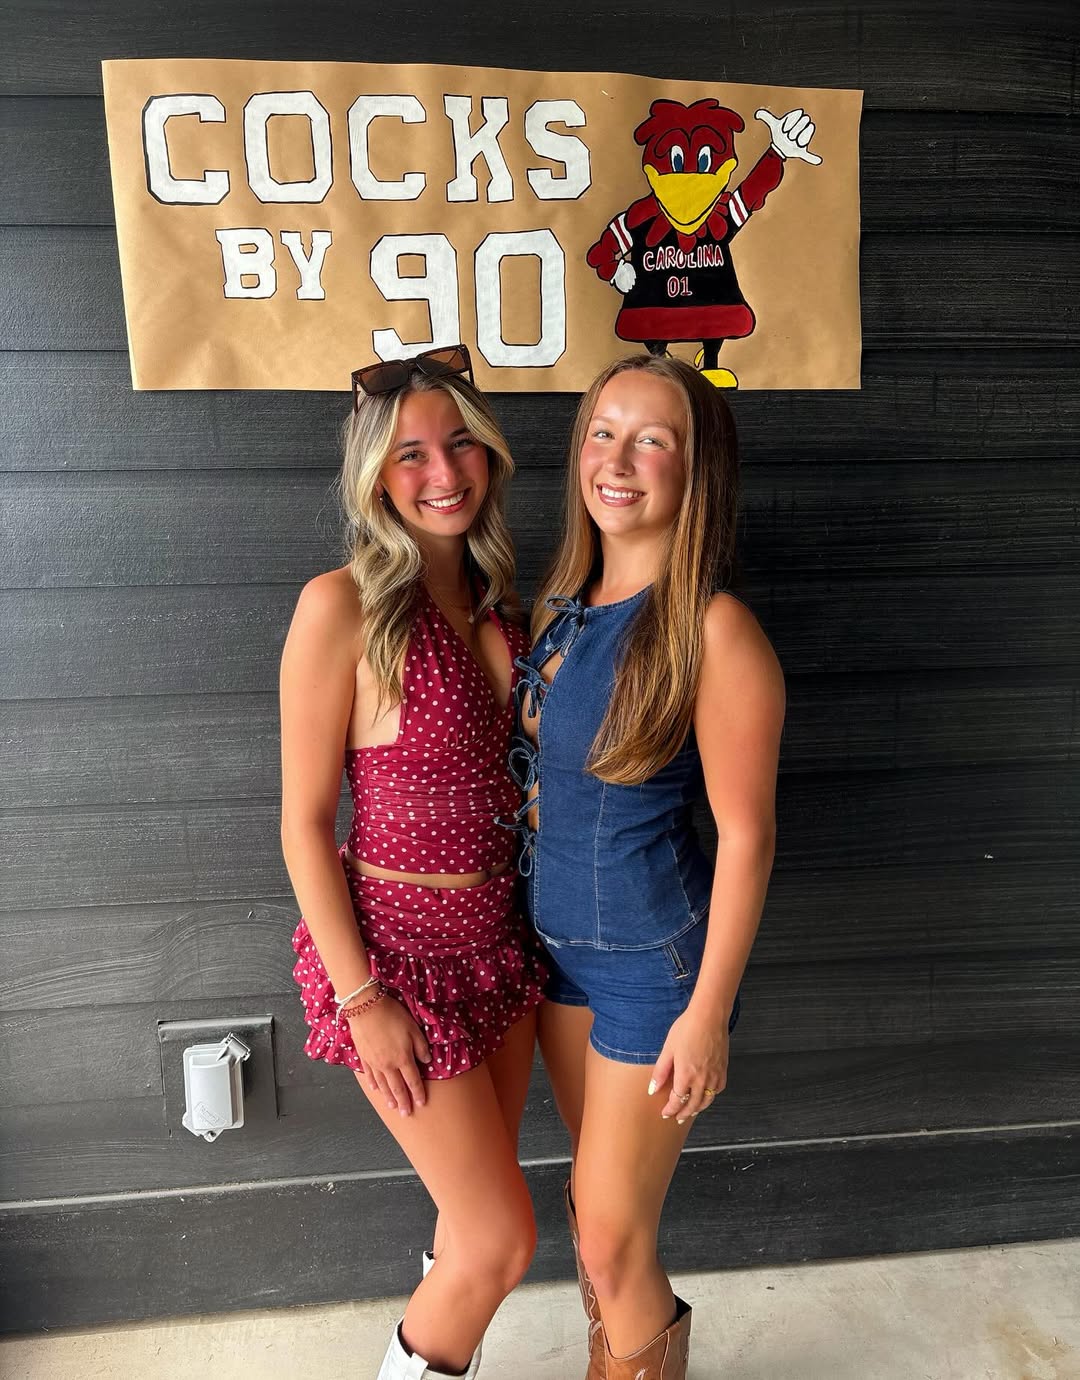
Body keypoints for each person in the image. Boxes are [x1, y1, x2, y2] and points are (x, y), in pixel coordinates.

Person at [507, 354, 785, 1379]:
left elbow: (748, 838)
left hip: (652, 970)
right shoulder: (560, 608)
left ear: (695, 468)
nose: (616, 460)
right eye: (603, 432)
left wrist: (706, 1014)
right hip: (558, 956)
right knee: (597, 1217)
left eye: (651, 440)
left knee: (611, 1235)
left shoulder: (713, 629)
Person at [279, 345, 547, 1380]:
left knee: (470, 1219)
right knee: (501, 1241)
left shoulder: (504, 608)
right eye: (410, 456)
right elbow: (304, 824)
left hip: (500, 951)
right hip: (399, 961)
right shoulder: (340, 606)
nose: (443, 472)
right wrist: (362, 999)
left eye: (461, 444)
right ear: (375, 478)